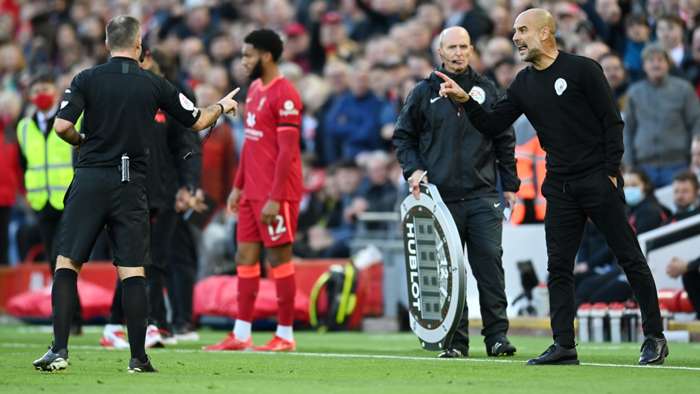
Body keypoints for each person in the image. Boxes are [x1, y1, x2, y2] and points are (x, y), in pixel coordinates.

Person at [435, 8, 668, 366]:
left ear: (546, 33)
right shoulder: (524, 83)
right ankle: (564, 345)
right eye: (514, 31)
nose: (516, 38)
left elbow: (612, 123)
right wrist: (466, 102)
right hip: (558, 184)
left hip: (596, 178)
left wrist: (609, 171)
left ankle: (654, 336)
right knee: (558, 266)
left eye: (522, 30)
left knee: (629, 257)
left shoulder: (583, 69)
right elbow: (495, 123)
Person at [32, 15, 239, 373]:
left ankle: (59, 350)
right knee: (133, 272)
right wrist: (222, 106)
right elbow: (198, 121)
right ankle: (138, 358)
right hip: (131, 184)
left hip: (92, 179)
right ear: (139, 44)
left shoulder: (86, 79)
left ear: (107, 44)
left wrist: (83, 142)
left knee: (67, 264)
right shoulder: (154, 84)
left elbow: (62, 126)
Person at [393, 26, 519, 358]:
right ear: (440, 52)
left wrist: (511, 186)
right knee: (448, 271)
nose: (459, 52)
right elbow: (403, 137)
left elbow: (504, 140)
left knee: (490, 265)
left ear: (472, 49)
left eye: (464, 46)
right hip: (440, 197)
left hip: (483, 194)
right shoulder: (423, 93)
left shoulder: (487, 90)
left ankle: (497, 338)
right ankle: (455, 342)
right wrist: (414, 169)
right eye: (452, 47)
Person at [204, 29, 302, 353]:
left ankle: (285, 335)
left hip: (277, 194)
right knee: (243, 257)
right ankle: (241, 333)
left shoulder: (285, 95)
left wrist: (275, 197)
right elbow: (250, 145)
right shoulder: (256, 90)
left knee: (279, 260)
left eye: (248, 55)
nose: (242, 61)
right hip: (250, 193)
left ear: (267, 56)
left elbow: (287, 153)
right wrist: (237, 186)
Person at [16, 72, 83, 333]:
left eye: (45, 88)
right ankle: (70, 318)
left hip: (68, 198)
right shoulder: (24, 127)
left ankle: (69, 319)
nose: (41, 94)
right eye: (36, 90)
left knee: (64, 259)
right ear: (30, 96)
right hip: (42, 202)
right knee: (54, 261)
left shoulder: (69, 119)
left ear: (55, 90)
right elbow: (25, 164)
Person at [623, 43, 700, 188]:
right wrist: (628, 164)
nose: (656, 65)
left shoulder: (684, 89)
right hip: (643, 167)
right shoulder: (634, 92)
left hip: (678, 164)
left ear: (668, 64)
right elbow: (627, 130)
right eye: (651, 61)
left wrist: (695, 157)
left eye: (660, 60)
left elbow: (696, 123)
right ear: (644, 65)